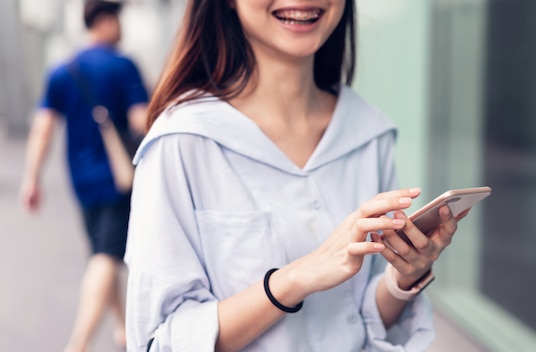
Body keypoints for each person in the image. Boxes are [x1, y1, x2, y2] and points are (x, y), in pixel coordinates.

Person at [125, 0, 468, 351]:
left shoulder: (368, 133)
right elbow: (159, 340)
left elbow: (363, 321)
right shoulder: (182, 141)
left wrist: (404, 276)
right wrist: (294, 279)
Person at [19, 1, 149, 351]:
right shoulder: (123, 66)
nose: (122, 28)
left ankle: (122, 327)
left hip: (81, 179)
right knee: (106, 257)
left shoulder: (63, 70)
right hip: (118, 178)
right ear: (105, 21)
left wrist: (32, 178)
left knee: (100, 252)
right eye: (119, 20)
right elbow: (141, 121)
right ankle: (78, 344)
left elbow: (43, 128)